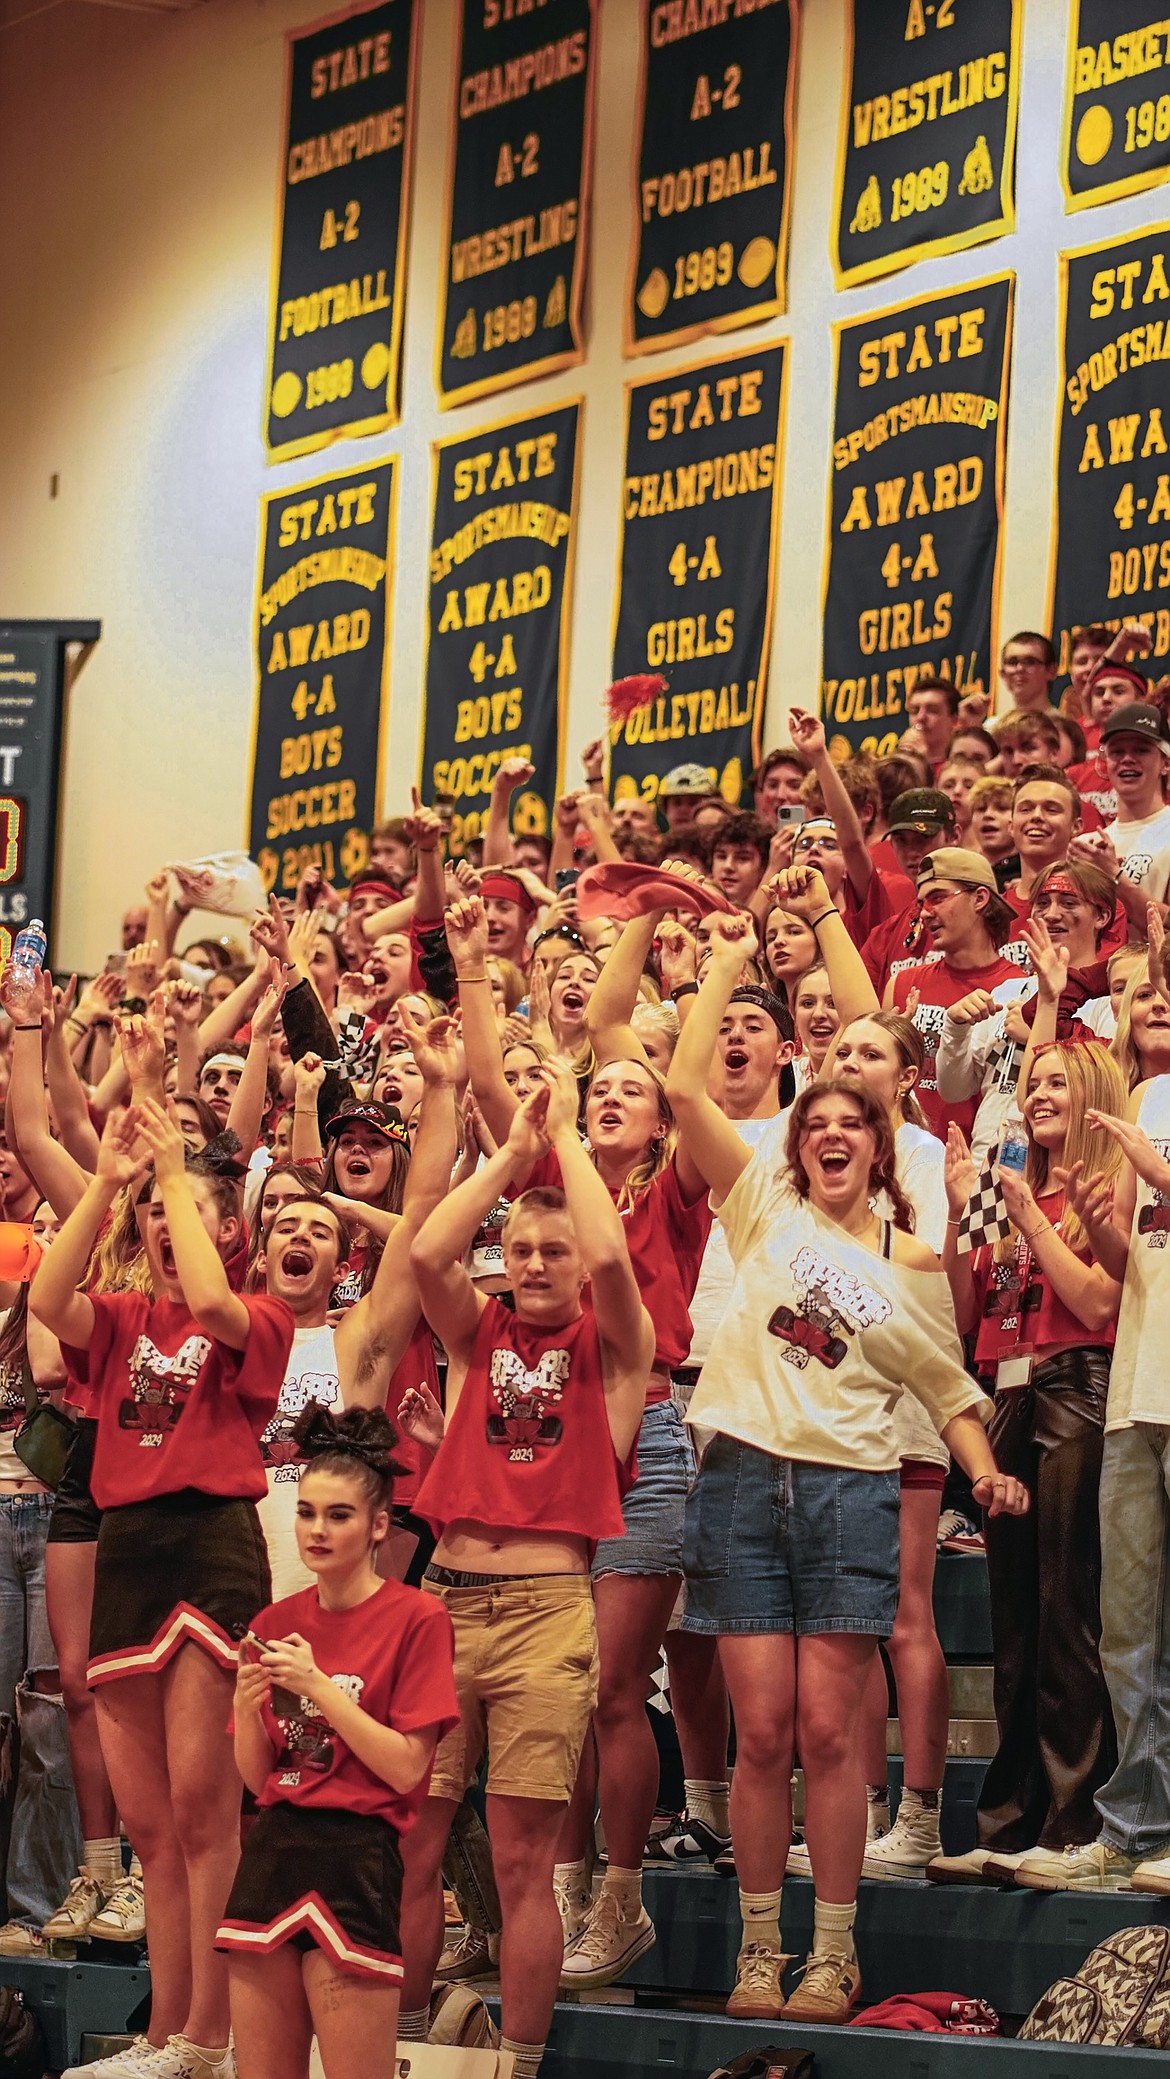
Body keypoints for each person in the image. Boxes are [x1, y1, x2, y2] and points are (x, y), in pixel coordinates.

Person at [665, 913, 1027, 2023]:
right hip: (738, 1483)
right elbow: (684, 1096)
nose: (830, 1134)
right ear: (797, 1141)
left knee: (830, 1735)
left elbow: (942, 1380)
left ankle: (832, 1951)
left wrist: (985, 1471)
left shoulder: (907, 1258)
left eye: (849, 1123)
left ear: (879, 1144)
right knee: (759, 1732)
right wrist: (730, 961)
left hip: (848, 1491)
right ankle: (761, 1951)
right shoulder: (759, 1200)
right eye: (813, 1120)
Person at [396, 1066, 652, 2079]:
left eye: (555, 1251)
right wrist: (507, 1158)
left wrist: (565, 1147)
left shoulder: (615, 1350)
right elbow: (423, 1248)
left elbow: (612, 1250)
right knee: (413, 1846)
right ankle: (408, 2050)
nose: (539, 1263)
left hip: (549, 1609)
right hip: (444, 1602)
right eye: (522, 1249)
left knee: (521, 1866)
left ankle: (520, 2065)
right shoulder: (476, 1333)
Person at [35, 1102, 294, 2079]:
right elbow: (51, 1304)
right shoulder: (126, 1320)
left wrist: (177, 1175)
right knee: (148, 1827)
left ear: (229, 1226)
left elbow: (221, 1310)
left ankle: (210, 2039)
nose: (161, 1215)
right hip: (125, 1547)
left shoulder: (258, 1316)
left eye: (179, 1205)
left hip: (209, 1547)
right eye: (153, 1206)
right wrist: (108, 1181)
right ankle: (165, 2038)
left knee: (201, 1813)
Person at [931, 1042, 1126, 1888]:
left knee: (1064, 1611)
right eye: (1032, 1081)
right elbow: (963, 1310)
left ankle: (1077, 1818)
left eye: (1056, 1081)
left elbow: (1096, 1301)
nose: (1038, 1094)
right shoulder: (1003, 1196)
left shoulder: (1101, 1188)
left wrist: (1032, 1216)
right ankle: (1009, 1821)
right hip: (1003, 1393)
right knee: (1011, 1617)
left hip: (1078, 1382)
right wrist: (955, 1213)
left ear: (1089, 1096)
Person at [216, 1406, 458, 2079]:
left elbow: (409, 1768)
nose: (317, 1529)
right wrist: (245, 1701)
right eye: (307, 1511)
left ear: (379, 1523)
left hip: (357, 1857)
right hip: (272, 1851)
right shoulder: (276, 1620)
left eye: (339, 1514)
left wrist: (319, 1687)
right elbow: (262, 1773)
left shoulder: (419, 1617)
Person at [259, 1019, 457, 1597]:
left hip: (332, 1597)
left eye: (320, 1231)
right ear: (260, 1252)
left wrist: (442, 1088)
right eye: (285, 1225)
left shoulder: (353, 1342)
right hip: (231, 1572)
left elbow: (421, 1219)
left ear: (340, 1258)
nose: (299, 1236)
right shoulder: (231, 1334)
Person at [885, 850, 1023, 1140]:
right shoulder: (902, 985)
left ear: (980, 898)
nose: (924, 912)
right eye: (921, 903)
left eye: (938, 898)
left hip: (976, 1161)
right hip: (902, 1155)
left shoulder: (1018, 989)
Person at [904, 679, 961, 777]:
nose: (921, 717)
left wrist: (922, 763)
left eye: (932, 710)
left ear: (954, 720)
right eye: (914, 710)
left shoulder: (960, 768)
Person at [995, 632, 1058, 721]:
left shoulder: (1064, 729)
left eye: (1030, 662)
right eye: (1012, 662)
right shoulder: (991, 729)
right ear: (1002, 673)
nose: (1020, 668)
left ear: (1051, 671)